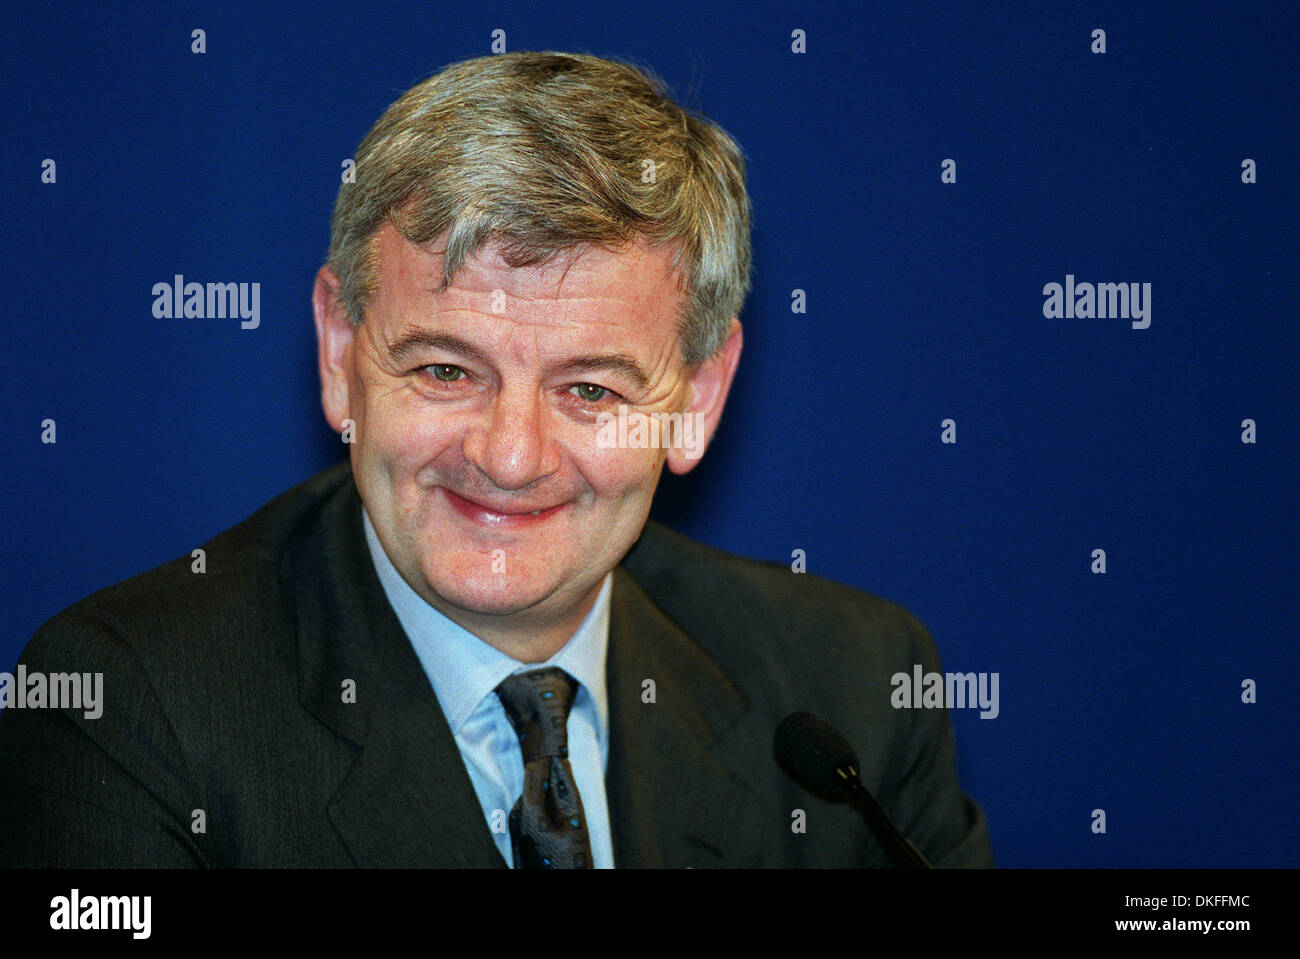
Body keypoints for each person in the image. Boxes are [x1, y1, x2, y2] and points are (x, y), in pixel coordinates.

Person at [0, 50, 993, 868]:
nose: (510, 456)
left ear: (695, 397)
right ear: (342, 354)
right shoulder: (128, 710)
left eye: (591, 389)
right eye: (444, 368)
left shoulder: (854, 688)